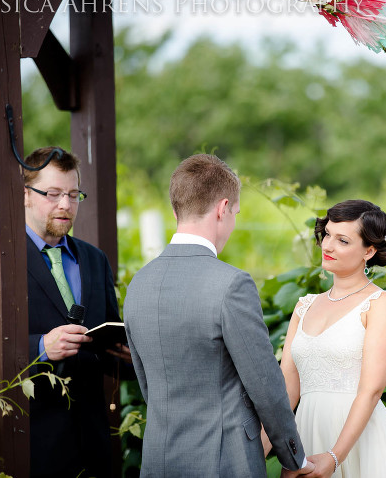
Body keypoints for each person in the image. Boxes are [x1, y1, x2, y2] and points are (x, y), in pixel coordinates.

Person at [122, 154, 313, 478]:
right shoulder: (232, 285)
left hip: (157, 461)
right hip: (224, 462)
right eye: (235, 213)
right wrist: (295, 458)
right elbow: (265, 385)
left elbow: (148, 384)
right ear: (223, 208)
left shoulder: (139, 282)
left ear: (175, 210)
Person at [0, 147, 132, 478]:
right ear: (24, 195)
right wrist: (39, 347)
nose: (65, 204)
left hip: (94, 446)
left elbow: (106, 349)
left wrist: (132, 357)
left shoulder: (95, 259)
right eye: (52, 194)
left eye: (74, 194)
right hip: (27, 446)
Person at [277, 200, 386, 477]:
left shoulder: (380, 304)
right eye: (327, 234)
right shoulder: (304, 306)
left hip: (359, 442)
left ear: (370, 250)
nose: (327, 246)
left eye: (342, 240)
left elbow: (371, 391)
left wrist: (334, 457)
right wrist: (257, 452)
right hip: (307, 435)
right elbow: (286, 391)